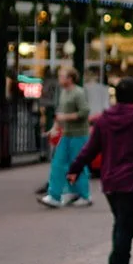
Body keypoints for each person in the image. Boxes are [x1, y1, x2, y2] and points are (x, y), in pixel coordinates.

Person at [68, 78, 133, 264]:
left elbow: (91, 148)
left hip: (110, 181)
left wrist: (75, 168)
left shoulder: (104, 120)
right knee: (126, 227)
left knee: (121, 223)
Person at [40, 67, 93, 208]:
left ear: (70, 78)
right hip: (67, 134)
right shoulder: (64, 93)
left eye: (62, 76)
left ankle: (84, 195)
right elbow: (60, 112)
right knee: (58, 163)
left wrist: (65, 117)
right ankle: (57, 195)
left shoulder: (78, 93)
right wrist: (55, 128)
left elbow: (84, 112)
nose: (59, 79)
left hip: (79, 134)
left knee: (77, 164)